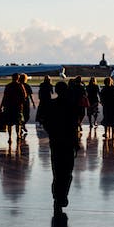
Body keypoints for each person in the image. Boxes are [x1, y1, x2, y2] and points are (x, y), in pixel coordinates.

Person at [39, 81, 81, 214]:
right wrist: (76, 143)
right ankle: (62, 195)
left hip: (56, 141)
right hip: (68, 142)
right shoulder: (71, 105)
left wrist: (52, 133)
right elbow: (74, 126)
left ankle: (57, 195)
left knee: (57, 170)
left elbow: (45, 122)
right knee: (67, 172)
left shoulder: (51, 105)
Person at [0, 74, 28, 143]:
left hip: (8, 106)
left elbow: (4, 96)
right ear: (18, 78)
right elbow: (24, 96)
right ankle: (18, 135)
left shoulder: (8, 86)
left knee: (9, 123)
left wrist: (1, 105)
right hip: (17, 107)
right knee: (18, 122)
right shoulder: (20, 85)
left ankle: (10, 137)